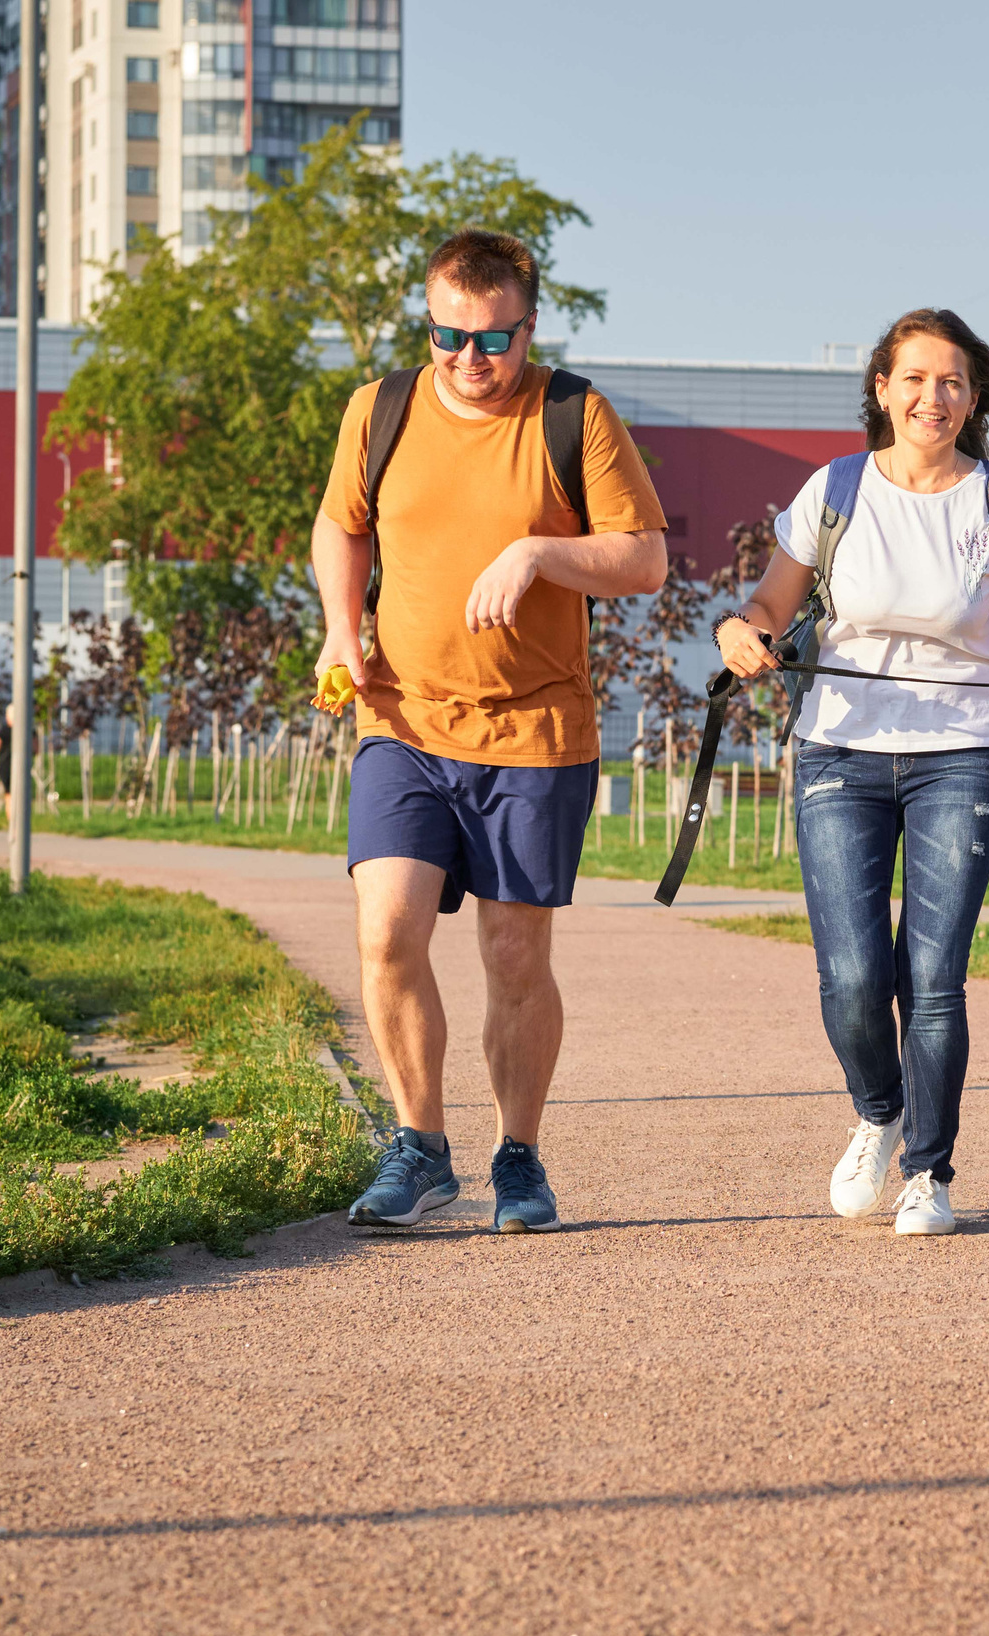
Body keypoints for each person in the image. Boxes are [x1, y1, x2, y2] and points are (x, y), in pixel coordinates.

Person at [714, 308, 989, 1237]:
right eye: (914, 378)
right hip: (840, 746)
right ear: (881, 389)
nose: (933, 396)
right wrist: (738, 632)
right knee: (849, 974)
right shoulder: (832, 491)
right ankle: (878, 1108)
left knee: (935, 976)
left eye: (952, 380)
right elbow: (768, 601)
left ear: (975, 395)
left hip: (961, 752)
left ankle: (928, 1171)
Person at [312, 229, 669, 1232]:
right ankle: (419, 1148)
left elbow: (643, 561)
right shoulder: (380, 409)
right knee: (386, 933)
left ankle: (519, 1157)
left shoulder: (573, 414)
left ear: (528, 325)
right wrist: (344, 629)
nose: (470, 359)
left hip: (535, 733)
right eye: (448, 336)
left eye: (493, 340)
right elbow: (340, 524)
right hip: (402, 718)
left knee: (515, 957)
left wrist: (540, 555)